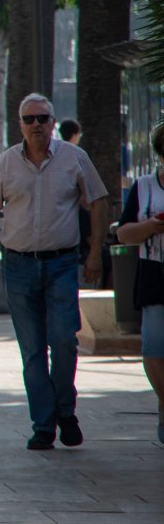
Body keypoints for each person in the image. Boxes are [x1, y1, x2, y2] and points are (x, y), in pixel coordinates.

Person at [0, 93, 108, 451]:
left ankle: (65, 410)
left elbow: (98, 201)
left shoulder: (74, 158)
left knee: (64, 340)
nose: (36, 125)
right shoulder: (6, 163)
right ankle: (44, 424)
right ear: (20, 124)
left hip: (62, 263)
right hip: (18, 265)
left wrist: (95, 253)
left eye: (43, 118)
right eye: (29, 119)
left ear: (53, 122)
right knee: (32, 350)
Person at [115, 120, 164, 443]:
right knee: (154, 347)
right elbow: (123, 233)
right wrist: (149, 226)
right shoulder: (144, 186)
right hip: (154, 273)